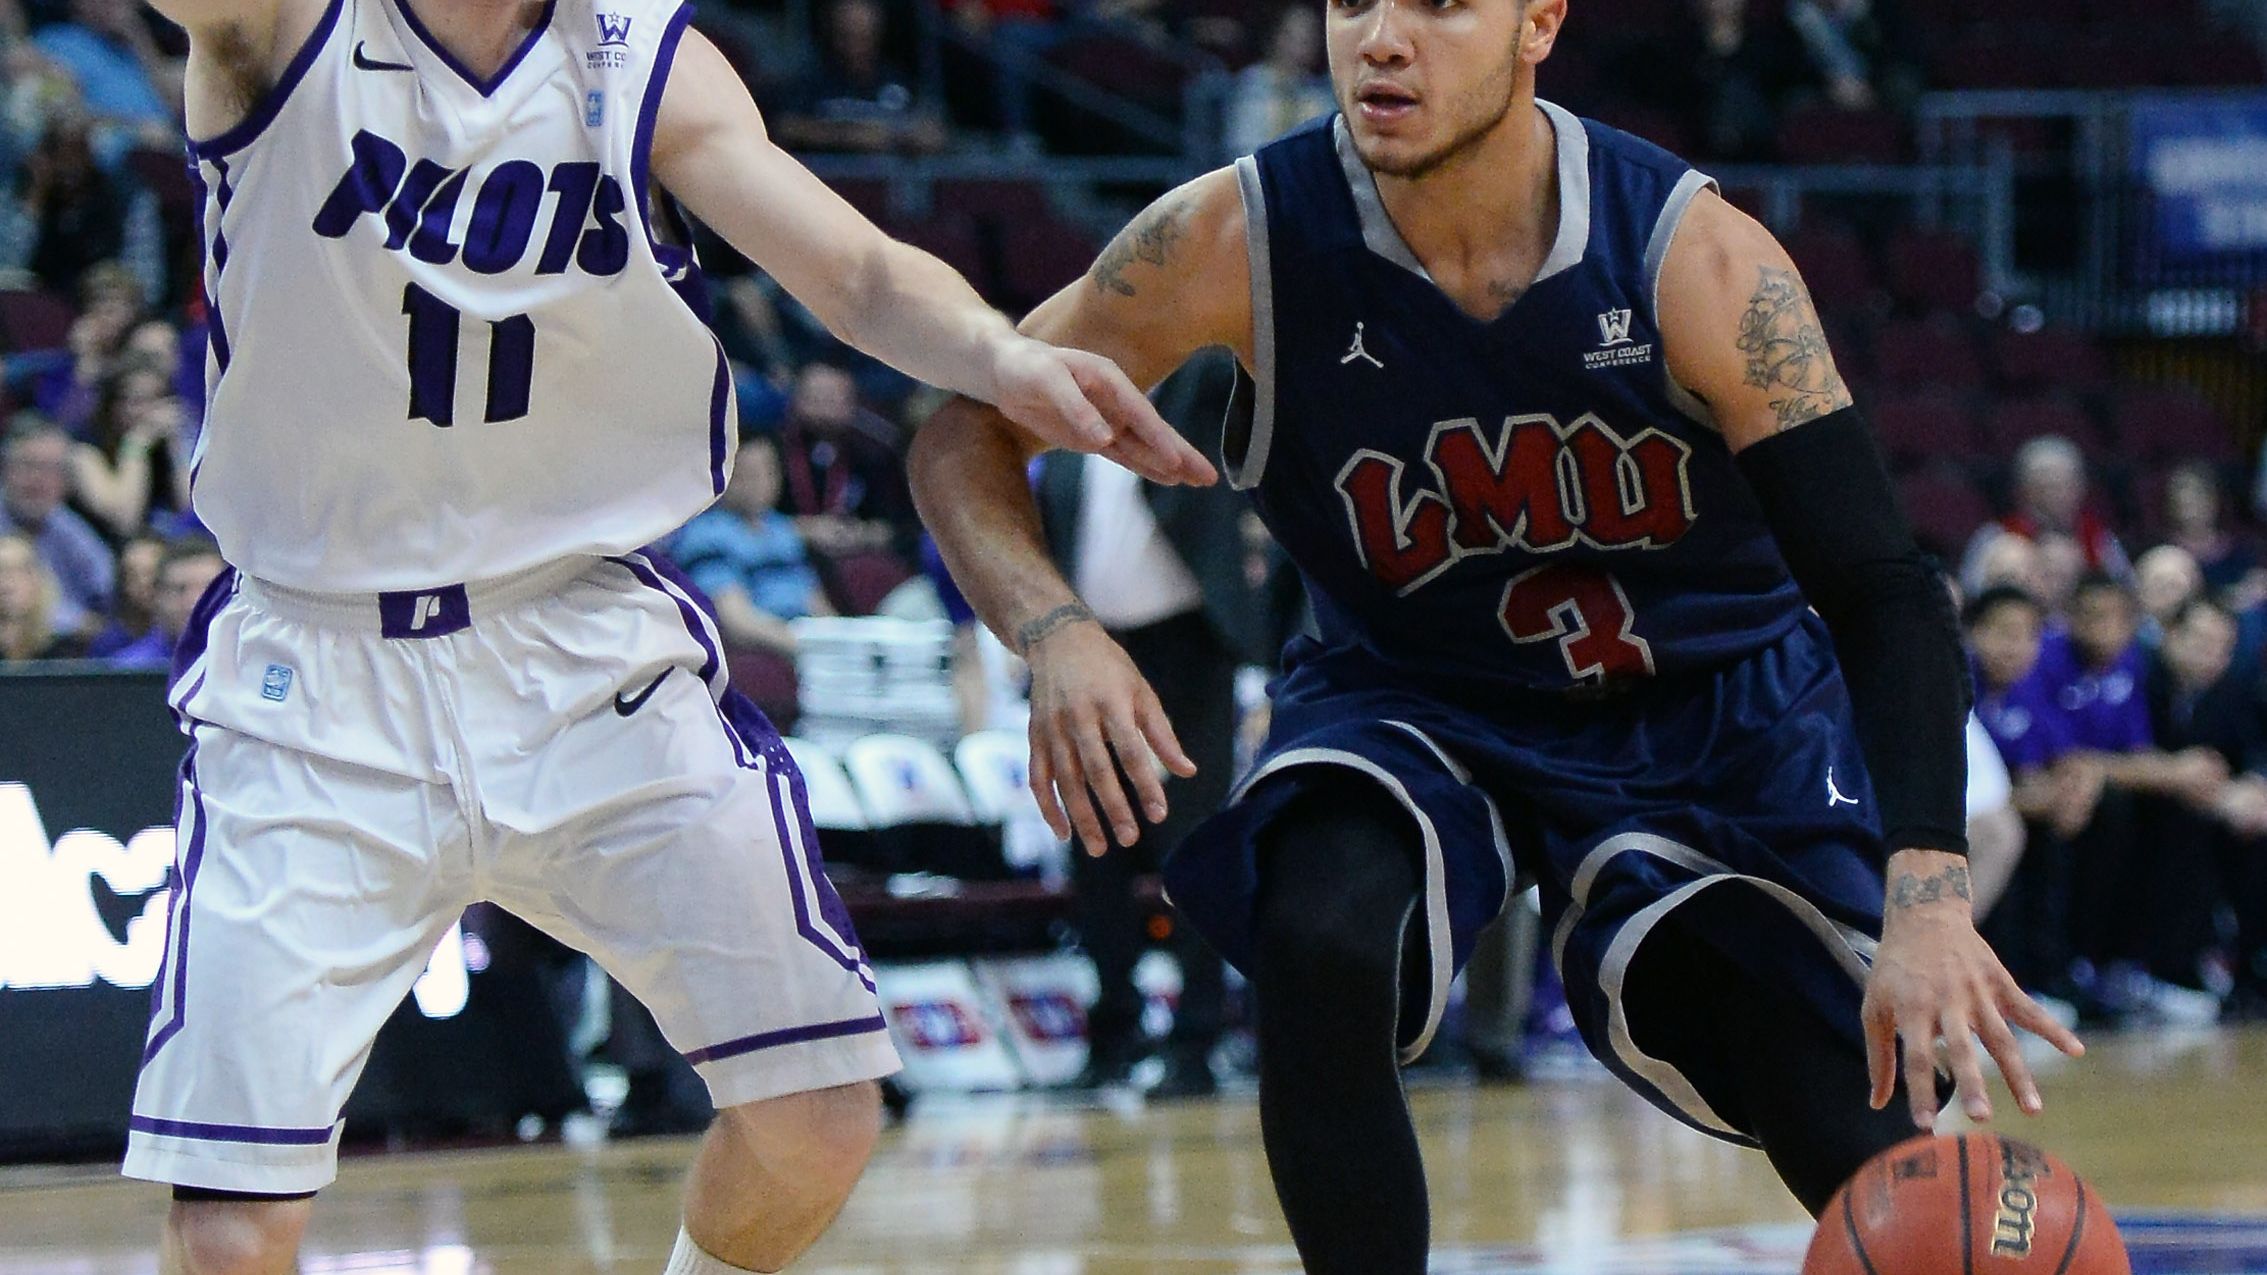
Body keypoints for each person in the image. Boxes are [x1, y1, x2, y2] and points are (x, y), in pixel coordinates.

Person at [910, 1, 2082, 1266]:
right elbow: (960, 432)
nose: (1379, 39)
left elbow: (1883, 590)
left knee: (1838, 1120)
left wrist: (1927, 899)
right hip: (1413, 697)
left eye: (1438, 4)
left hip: (1703, 715)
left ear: (1537, 23)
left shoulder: (1691, 256)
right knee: (1318, 932)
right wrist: (1056, 630)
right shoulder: (1229, 237)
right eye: (1354, 0)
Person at [125, 0, 1205, 1268]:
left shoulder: (644, 55)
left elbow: (854, 273)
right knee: (231, 1233)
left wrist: (993, 355)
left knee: (813, 1119)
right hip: (317, 664)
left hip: (584, 644)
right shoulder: (277, 25)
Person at [1034, 348, 1263, 1097]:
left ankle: (1196, 1041)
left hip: (1189, 649)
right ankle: (1111, 1037)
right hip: (1092, 654)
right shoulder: (1068, 441)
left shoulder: (1198, 398)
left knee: (1191, 847)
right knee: (1093, 852)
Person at [668, 432, 830, 656]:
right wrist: (810, 649)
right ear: (727, 477)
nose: (763, 483)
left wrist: (839, 642)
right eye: (751, 475)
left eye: (770, 472)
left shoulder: (782, 529)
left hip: (809, 646)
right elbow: (738, 622)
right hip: (762, 652)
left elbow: (817, 604)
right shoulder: (705, 536)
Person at [0, 415, 111, 635]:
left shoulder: (70, 529)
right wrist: (72, 621)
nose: (38, 479)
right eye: (28, 465)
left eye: (51, 468)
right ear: (5, 468)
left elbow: (106, 591)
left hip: (60, 654)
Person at [102, 535, 222, 667]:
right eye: (179, 589)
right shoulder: (127, 672)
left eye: (208, 589)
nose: (192, 603)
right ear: (156, 596)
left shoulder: (246, 664)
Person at [0, 530, 88, 661]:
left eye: (20, 572)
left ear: (39, 580)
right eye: (2, 571)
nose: (7, 584)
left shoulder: (65, 648)